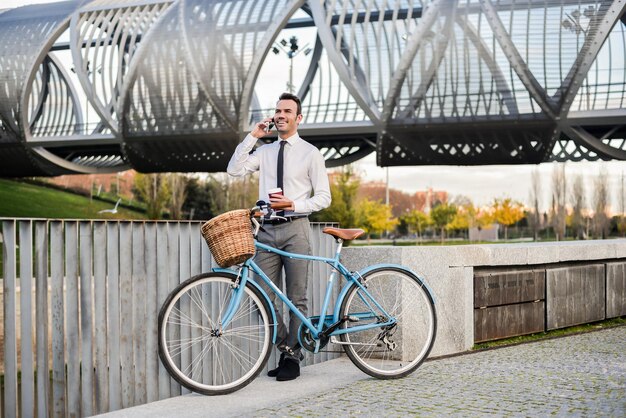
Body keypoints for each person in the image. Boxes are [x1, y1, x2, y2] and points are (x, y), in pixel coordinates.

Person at [227, 92, 331, 381]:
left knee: (297, 298)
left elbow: (324, 197)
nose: (280, 114)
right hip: (267, 231)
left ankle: (292, 357)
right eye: (277, 110)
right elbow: (233, 169)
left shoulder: (311, 153)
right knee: (263, 296)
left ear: (298, 118)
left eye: (287, 111)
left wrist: (294, 204)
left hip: (296, 228)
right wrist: (253, 136)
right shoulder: (265, 151)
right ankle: (286, 345)